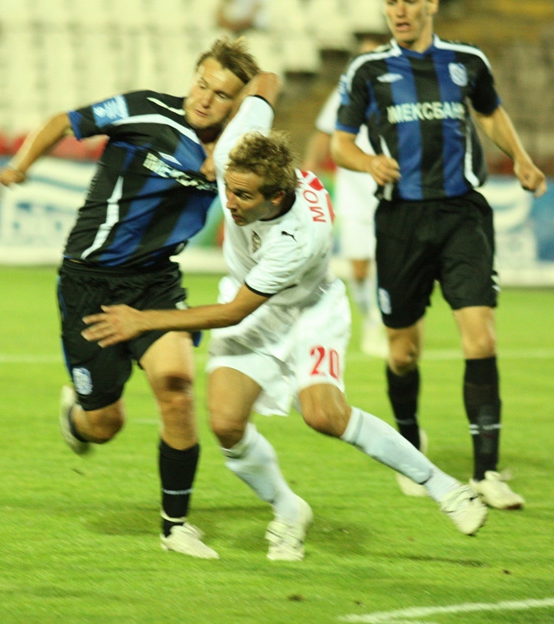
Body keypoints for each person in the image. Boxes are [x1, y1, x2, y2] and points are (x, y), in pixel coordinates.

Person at [81, 87, 489, 560]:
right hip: (249, 300)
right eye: (229, 189)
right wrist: (242, 95)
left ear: (277, 196)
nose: (230, 203)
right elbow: (267, 82)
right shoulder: (240, 153)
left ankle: (445, 488)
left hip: (308, 312)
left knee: (324, 415)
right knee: (226, 424)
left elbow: (234, 313)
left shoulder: (298, 237)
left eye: (243, 196)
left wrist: (144, 320)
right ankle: (288, 510)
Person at [0, 37, 260, 559]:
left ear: (237, 104)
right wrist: (21, 166)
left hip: (156, 283)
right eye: (202, 83)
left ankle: (176, 527)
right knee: (105, 425)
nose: (205, 98)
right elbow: (64, 122)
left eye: (222, 94)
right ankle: (77, 417)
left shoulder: (238, 150)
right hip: (90, 282)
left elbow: (270, 95)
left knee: (177, 390)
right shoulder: (145, 111)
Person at [330, 0, 547, 508]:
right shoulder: (367, 70)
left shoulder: (467, 61)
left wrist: (520, 158)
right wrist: (368, 162)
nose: (399, 11)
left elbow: (490, 113)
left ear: (430, 4)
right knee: (402, 354)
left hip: (461, 215)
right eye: (391, 3)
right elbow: (340, 144)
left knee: (481, 338)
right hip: (400, 221)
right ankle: (409, 445)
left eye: (409, 1)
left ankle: (486, 472)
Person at [303, 33, 390, 359]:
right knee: (359, 269)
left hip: (388, 191)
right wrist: (308, 172)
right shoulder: (344, 91)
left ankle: (385, 323)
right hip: (354, 191)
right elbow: (324, 132)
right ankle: (370, 317)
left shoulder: (396, 93)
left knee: (388, 264)